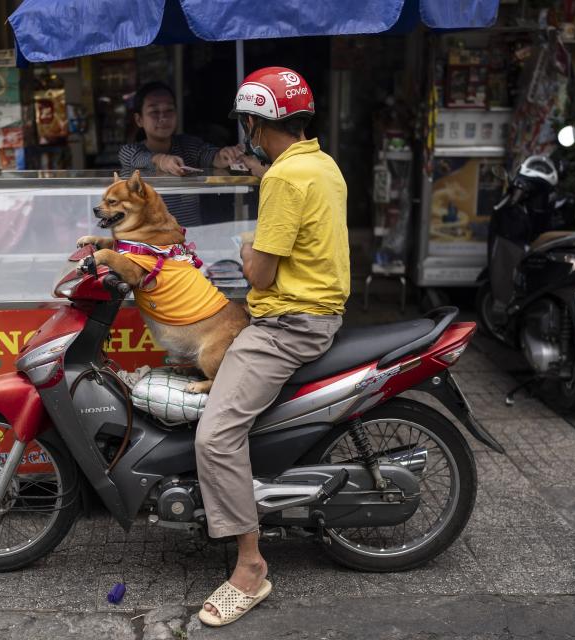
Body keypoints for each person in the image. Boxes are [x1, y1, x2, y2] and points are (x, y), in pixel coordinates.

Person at [195, 67, 350, 627]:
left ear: (258, 124)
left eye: (249, 124)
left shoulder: (283, 181)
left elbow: (260, 276)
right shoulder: (320, 164)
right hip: (317, 312)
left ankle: (250, 565)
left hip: (288, 324)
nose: (248, 133)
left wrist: (243, 249)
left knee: (215, 435)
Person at [118, 81, 245, 227]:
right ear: (139, 119)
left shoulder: (189, 146)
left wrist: (224, 156)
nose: (163, 117)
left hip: (190, 239)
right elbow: (135, 157)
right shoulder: (130, 151)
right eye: (154, 112)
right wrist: (161, 160)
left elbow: (211, 156)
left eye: (169, 110)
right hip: (152, 241)